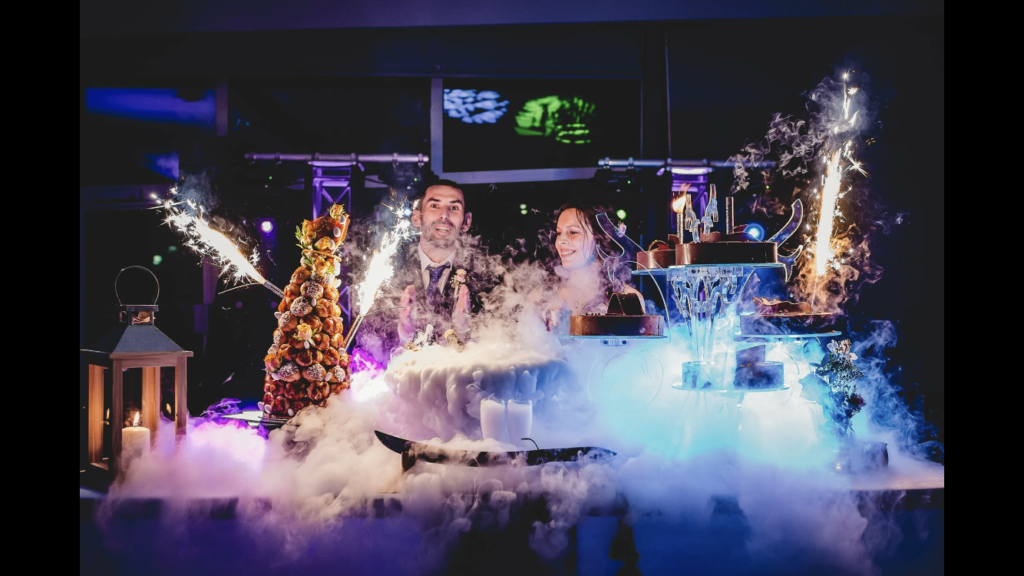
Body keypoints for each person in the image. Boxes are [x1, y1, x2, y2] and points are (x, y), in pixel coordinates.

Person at [358, 179, 495, 361]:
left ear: (466, 221)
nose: (444, 215)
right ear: (417, 217)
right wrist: (404, 334)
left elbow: (500, 351)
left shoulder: (486, 279)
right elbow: (367, 348)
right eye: (434, 206)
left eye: (454, 208)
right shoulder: (386, 276)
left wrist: (463, 334)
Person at [535, 199, 645, 331]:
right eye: (559, 233)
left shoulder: (626, 299)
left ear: (600, 238)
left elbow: (637, 344)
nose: (560, 241)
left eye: (573, 232)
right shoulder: (540, 297)